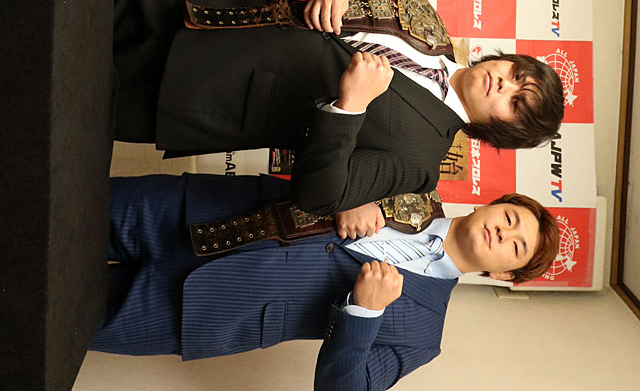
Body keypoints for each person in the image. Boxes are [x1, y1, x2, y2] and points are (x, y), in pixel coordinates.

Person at [114, 0, 565, 215]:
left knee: (74, 91)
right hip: (204, 13)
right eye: (516, 74)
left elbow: (321, 197)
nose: (503, 83)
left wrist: (350, 108)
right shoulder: (428, 21)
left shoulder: (422, 162)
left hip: (197, 93)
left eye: (514, 101)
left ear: (500, 131)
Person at [90, 170, 559, 391]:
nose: (504, 232)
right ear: (491, 204)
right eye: (511, 217)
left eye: (515, 247)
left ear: (503, 273)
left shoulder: (422, 334)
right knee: (60, 208)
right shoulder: (413, 179)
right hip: (192, 211)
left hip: (203, 311)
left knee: (54, 311)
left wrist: (364, 313)